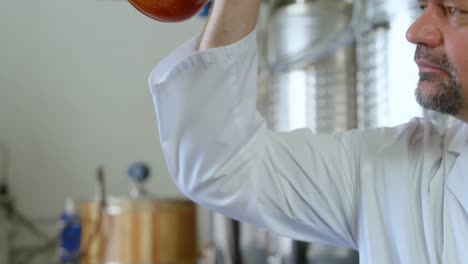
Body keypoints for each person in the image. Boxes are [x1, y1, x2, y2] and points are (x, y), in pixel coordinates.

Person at [148, 0, 468, 263]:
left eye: (452, 10)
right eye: (423, 6)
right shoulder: (403, 171)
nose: (415, 32)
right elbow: (221, 164)